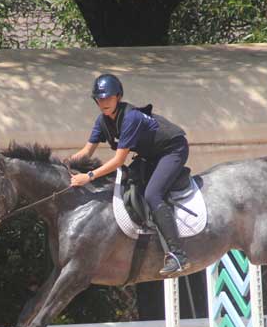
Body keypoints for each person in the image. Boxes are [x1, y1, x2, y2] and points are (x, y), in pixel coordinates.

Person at [69, 73, 192, 275]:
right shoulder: (102, 122)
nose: (104, 102)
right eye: (99, 99)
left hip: (172, 149)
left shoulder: (131, 118)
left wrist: (89, 177)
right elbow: (86, 152)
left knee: (152, 194)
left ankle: (178, 255)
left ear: (118, 97)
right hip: (151, 155)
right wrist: (64, 165)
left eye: (108, 98)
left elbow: (118, 161)